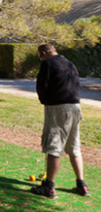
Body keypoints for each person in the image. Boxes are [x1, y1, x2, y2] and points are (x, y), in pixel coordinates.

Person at [31, 43, 90, 199]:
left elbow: (41, 86)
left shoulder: (47, 63)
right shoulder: (68, 62)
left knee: (54, 147)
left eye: (40, 55)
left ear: (43, 53)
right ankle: (82, 185)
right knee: (74, 147)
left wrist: (45, 100)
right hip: (75, 107)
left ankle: (48, 187)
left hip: (58, 109)